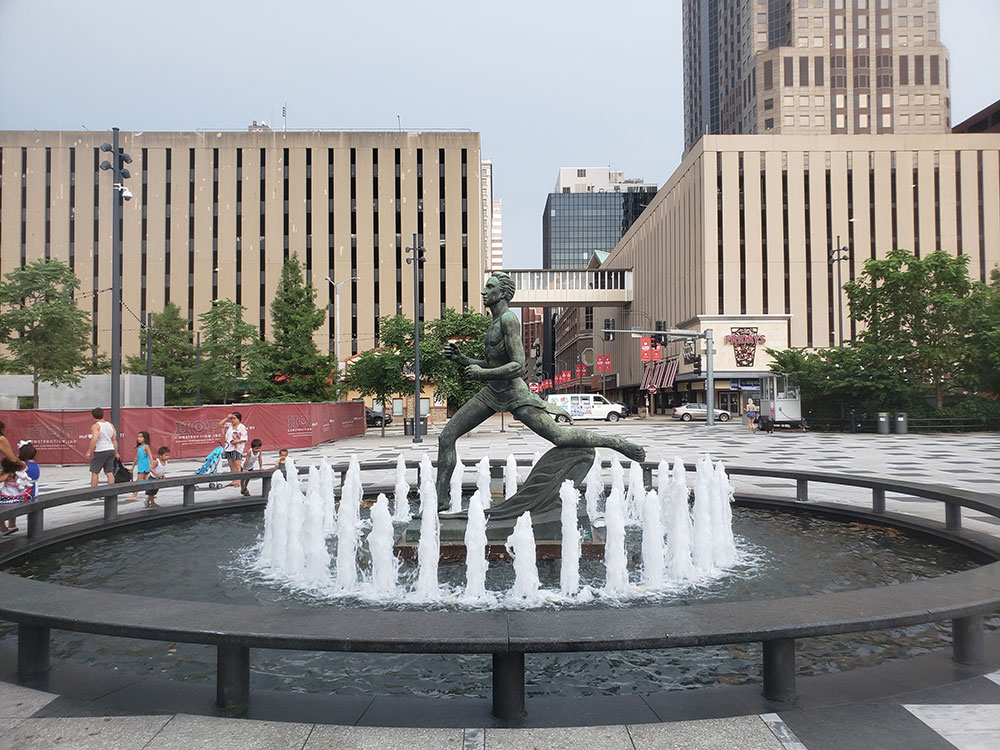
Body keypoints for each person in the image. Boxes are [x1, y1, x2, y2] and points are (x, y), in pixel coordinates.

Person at [434, 271, 645, 509]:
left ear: (502, 293)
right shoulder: (493, 322)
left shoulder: (508, 320)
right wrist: (464, 360)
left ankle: (615, 442)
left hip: (514, 393)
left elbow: (517, 366)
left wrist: (482, 374)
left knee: (559, 437)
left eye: (489, 287)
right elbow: (493, 364)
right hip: (492, 393)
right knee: (446, 437)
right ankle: (440, 502)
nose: (483, 291)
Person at [84, 407, 119, 486]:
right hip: (111, 449)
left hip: (101, 450)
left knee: (95, 471)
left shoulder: (95, 426)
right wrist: (116, 452)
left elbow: (95, 438)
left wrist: (89, 451)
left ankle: (93, 491)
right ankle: (111, 490)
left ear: (93, 416)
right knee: (109, 472)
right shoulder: (110, 425)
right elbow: (114, 439)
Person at [0, 457, 32, 534]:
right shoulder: (19, 472)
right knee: (12, 509)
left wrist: (3, 473)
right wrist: (18, 462)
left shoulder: (7, 474)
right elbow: (25, 466)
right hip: (19, 496)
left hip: (7, 496)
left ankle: (2, 528)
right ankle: (12, 525)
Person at [218, 412, 248, 487]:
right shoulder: (229, 426)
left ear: (239, 419)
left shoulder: (241, 427)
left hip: (237, 448)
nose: (233, 420)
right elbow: (220, 424)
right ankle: (234, 480)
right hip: (228, 448)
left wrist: (237, 442)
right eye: (232, 418)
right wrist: (227, 418)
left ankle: (238, 480)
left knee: (237, 465)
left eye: (234, 418)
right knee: (231, 465)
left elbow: (244, 438)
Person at [125, 432, 153, 502]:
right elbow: (136, 457)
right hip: (140, 465)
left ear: (145, 438)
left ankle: (134, 495)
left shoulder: (146, 446)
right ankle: (151, 493)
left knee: (139, 480)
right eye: (138, 437)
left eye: (141, 437)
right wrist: (133, 466)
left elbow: (150, 456)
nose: (139, 438)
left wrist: (152, 465)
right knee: (146, 480)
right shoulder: (139, 447)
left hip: (144, 465)